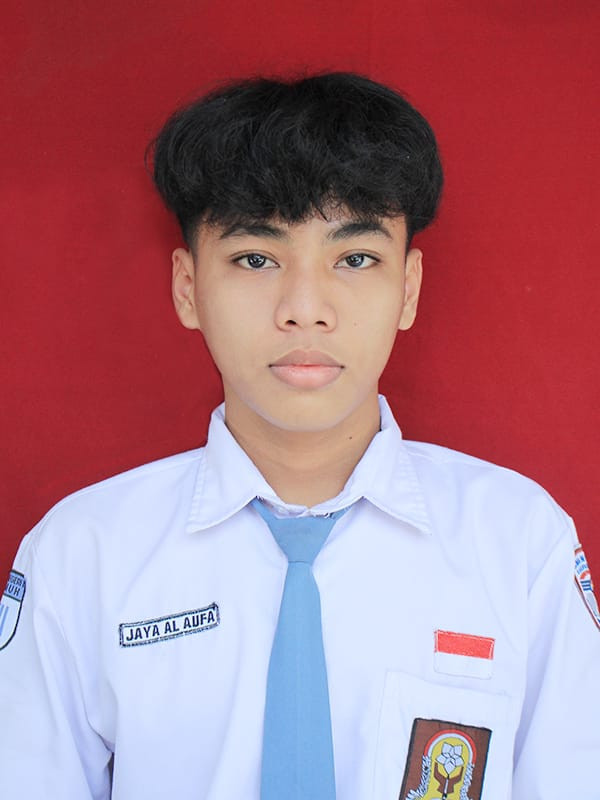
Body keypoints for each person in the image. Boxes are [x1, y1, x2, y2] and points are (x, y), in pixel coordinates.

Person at [0, 72, 598, 800]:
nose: (305, 308)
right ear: (188, 288)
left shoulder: (519, 544)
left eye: (355, 259)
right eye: (256, 258)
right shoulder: (81, 557)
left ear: (408, 289)